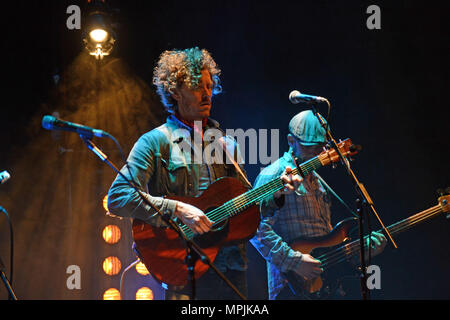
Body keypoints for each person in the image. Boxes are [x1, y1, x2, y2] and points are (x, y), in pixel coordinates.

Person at [107, 47, 298, 300]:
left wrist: (277, 193)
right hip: (184, 268)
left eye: (209, 86)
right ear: (174, 91)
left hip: (231, 269)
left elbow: (247, 209)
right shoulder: (155, 142)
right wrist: (178, 209)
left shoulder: (226, 145)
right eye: (197, 86)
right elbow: (118, 197)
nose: (207, 93)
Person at [250, 110, 387, 300]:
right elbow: (254, 230)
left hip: (325, 286)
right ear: (291, 141)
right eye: (309, 147)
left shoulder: (318, 181)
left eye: (321, 147)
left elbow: (327, 241)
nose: (318, 154)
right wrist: (294, 261)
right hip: (290, 288)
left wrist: (362, 251)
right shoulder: (273, 174)